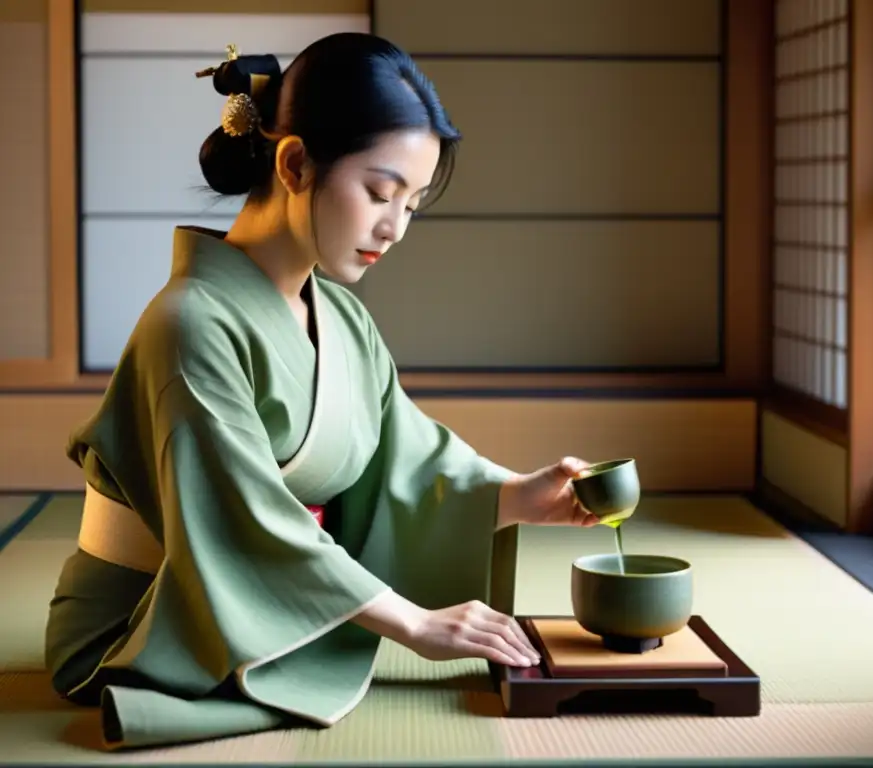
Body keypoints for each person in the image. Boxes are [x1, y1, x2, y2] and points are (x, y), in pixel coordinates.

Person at [43, 32, 599, 751]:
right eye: (379, 192)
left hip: (256, 602)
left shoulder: (340, 316)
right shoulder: (187, 324)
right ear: (295, 162)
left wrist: (524, 495)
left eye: (413, 204)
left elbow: (406, 456)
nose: (395, 228)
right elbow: (242, 518)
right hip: (153, 620)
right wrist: (413, 622)